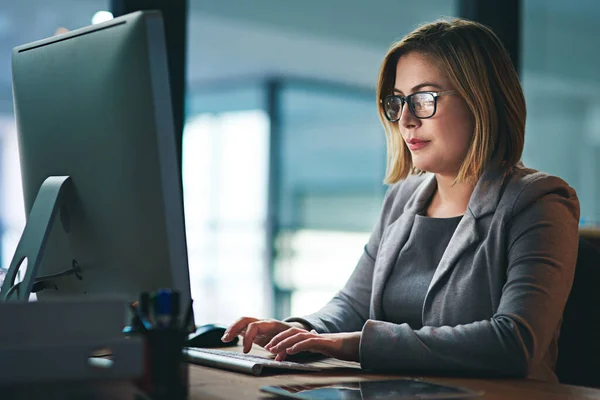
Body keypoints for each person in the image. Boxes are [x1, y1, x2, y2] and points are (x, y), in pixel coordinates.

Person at [221, 18, 580, 382]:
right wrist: (297, 330)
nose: (405, 119)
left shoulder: (540, 202)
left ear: (481, 101)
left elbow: (512, 343)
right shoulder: (403, 197)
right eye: (398, 101)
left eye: (424, 99)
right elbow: (352, 305)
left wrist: (355, 345)